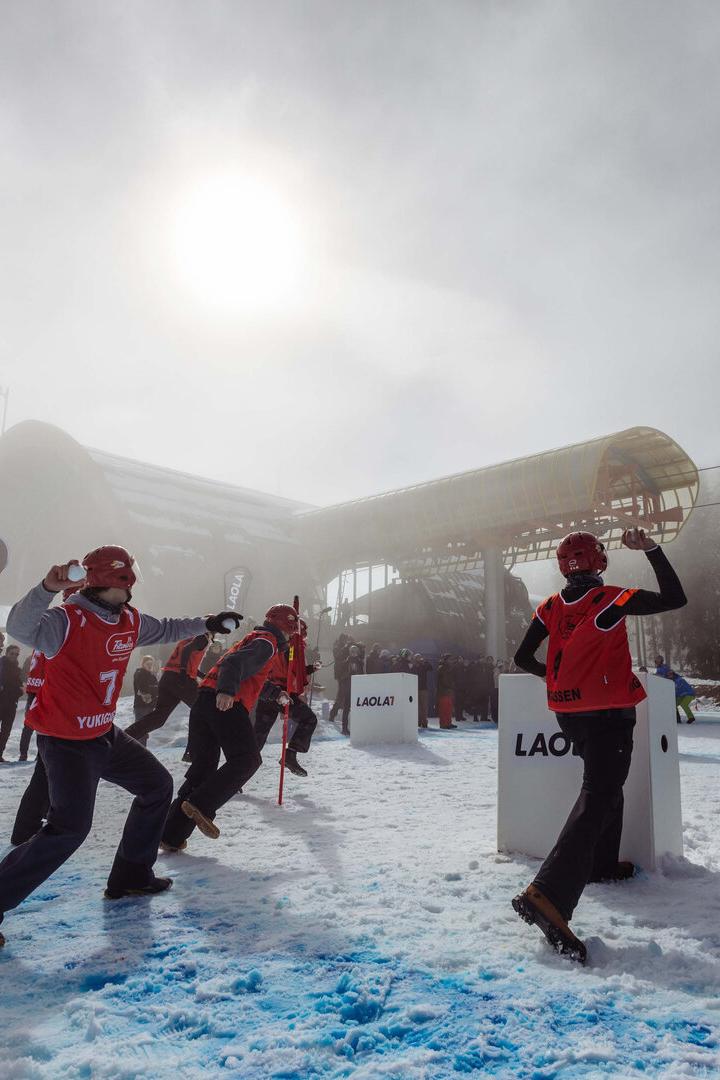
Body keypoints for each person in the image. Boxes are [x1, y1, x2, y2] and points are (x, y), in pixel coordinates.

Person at [0, 546, 241, 947]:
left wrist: (207, 623)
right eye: (127, 579)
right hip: (67, 742)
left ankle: (131, 875)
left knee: (156, 785)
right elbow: (20, 629)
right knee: (68, 829)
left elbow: (166, 628)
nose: (131, 587)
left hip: (102, 734)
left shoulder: (127, 619)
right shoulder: (67, 620)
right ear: (114, 580)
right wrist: (46, 588)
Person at [511, 528, 687, 963]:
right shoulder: (611, 599)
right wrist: (652, 550)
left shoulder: (550, 606)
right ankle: (548, 895)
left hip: (568, 713)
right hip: (607, 712)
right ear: (599, 561)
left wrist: (556, 678)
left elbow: (522, 658)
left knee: (606, 785)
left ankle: (602, 864)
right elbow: (674, 598)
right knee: (600, 793)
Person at [160, 604, 299, 850]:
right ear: (285, 627)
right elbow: (234, 664)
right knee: (247, 759)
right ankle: (201, 804)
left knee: (203, 770)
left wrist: (275, 693)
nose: (292, 637)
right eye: (292, 631)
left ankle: (170, 835)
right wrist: (226, 691)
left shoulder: (256, 639)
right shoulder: (267, 643)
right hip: (225, 703)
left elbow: (248, 673)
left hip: (204, 701)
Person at [253, 621, 322, 777]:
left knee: (259, 735)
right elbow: (293, 671)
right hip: (282, 692)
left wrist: (311, 668)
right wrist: (307, 669)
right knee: (309, 719)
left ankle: (239, 769)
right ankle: (290, 754)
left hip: (268, 692)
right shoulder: (291, 647)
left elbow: (293, 670)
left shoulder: (277, 643)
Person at [124, 631, 216, 747]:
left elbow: (189, 663)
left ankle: (125, 736)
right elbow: (186, 650)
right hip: (182, 679)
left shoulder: (190, 636)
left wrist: (205, 677)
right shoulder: (203, 637)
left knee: (159, 717)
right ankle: (196, 748)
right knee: (205, 710)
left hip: (168, 678)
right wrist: (183, 672)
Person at [0, 645, 25, 762]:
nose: (14, 656)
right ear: (6, 653)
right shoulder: (1, 666)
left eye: (16, 654)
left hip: (11, 705)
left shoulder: (17, 670)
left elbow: (20, 687)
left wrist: (19, 691)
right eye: (12, 653)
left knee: (6, 732)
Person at [132, 656, 159, 726]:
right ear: (143, 664)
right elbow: (141, 688)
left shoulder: (152, 676)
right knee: (139, 727)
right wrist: (145, 695)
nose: (150, 665)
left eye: (151, 664)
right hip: (141, 707)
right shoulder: (140, 673)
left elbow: (156, 690)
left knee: (146, 728)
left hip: (150, 706)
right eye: (148, 663)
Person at [412, 653, 433, 728]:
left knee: (424, 706)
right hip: (415, 688)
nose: (419, 659)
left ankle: (424, 722)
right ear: (415, 659)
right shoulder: (413, 666)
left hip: (423, 688)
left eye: (420, 657)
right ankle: (419, 721)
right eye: (417, 657)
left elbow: (431, 668)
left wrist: (425, 661)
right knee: (417, 707)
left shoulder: (424, 665)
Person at [436, 655, 457, 729]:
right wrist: (451, 685)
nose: (451, 661)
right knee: (444, 709)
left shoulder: (449, 668)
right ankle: (444, 724)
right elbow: (444, 681)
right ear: (446, 660)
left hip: (448, 691)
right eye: (450, 659)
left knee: (449, 708)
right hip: (443, 692)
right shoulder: (442, 668)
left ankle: (448, 723)